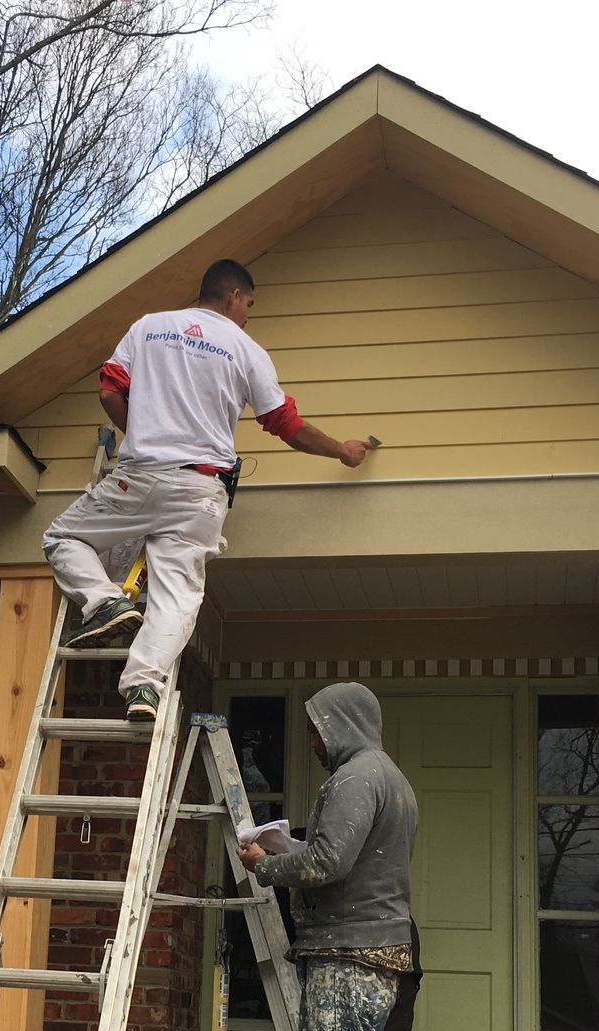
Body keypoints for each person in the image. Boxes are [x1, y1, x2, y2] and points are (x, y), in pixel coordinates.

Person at [42, 259, 371, 722]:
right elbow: (286, 425)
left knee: (63, 538)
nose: (248, 314)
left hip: (140, 475)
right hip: (200, 491)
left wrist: (142, 435)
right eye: (249, 304)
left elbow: (110, 390)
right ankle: (143, 687)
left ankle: (102, 600)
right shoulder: (246, 349)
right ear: (234, 295)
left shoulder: (149, 327)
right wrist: (342, 451)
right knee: (177, 594)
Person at [239, 683, 418, 1031]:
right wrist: (281, 849)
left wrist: (263, 866)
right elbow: (335, 859)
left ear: (341, 724)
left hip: (352, 953)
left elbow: (326, 866)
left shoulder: (358, 777)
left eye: (317, 728)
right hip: (347, 950)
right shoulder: (381, 776)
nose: (313, 739)